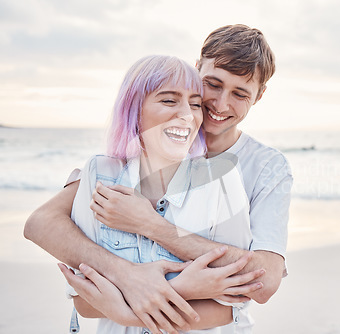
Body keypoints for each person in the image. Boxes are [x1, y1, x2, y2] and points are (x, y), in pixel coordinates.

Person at [24, 24, 292, 333]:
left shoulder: (264, 167)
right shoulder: (133, 155)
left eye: (240, 94)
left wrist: (150, 226)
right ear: (196, 71)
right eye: (213, 85)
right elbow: (42, 223)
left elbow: (263, 281)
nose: (220, 104)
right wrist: (127, 275)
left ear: (259, 96)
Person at [59, 54, 267, 334]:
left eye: (195, 104)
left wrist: (125, 306)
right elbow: (84, 301)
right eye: (169, 100)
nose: (186, 114)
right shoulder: (100, 174)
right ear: (135, 108)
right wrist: (184, 288)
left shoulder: (222, 180)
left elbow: (229, 307)